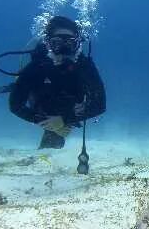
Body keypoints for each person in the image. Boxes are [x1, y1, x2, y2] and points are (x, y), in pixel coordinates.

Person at [8, 16, 106, 149]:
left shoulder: (84, 65)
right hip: (42, 109)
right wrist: (48, 123)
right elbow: (15, 105)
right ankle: (51, 134)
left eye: (70, 43)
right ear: (48, 44)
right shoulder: (37, 65)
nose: (63, 50)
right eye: (57, 43)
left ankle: (56, 133)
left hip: (71, 110)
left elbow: (100, 105)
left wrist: (64, 120)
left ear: (78, 44)